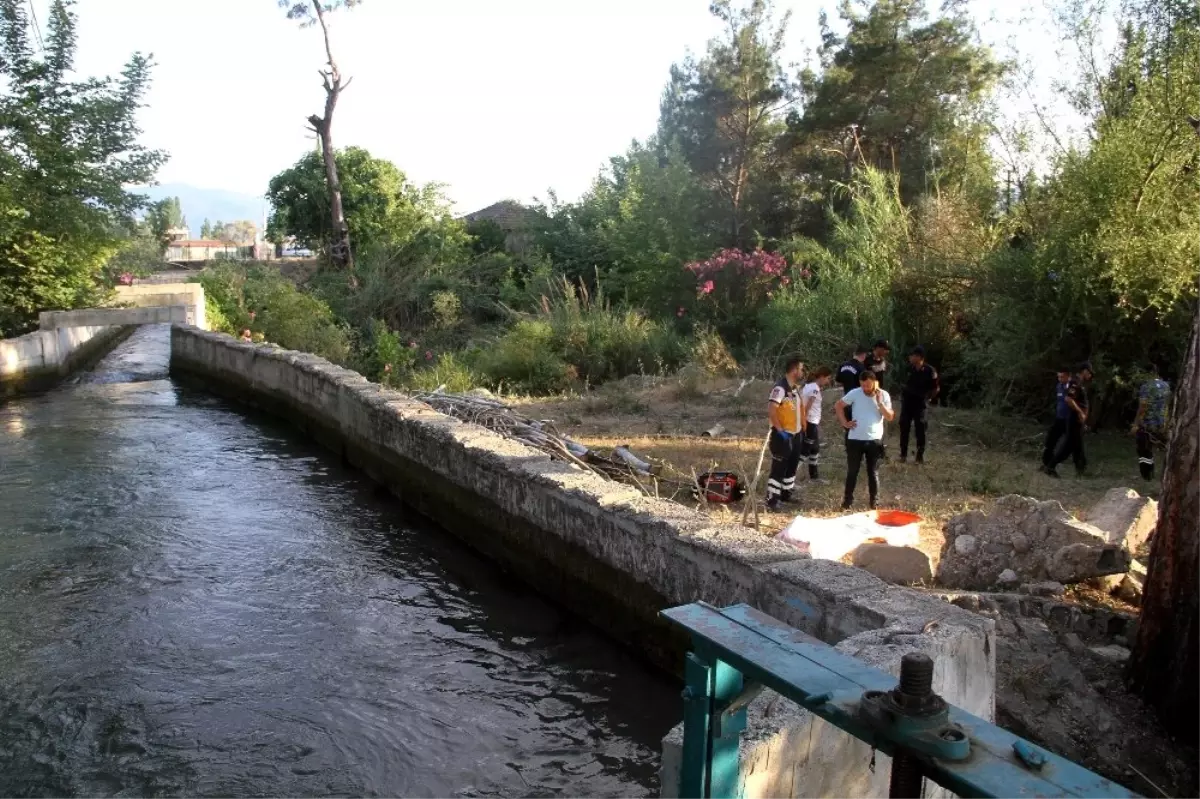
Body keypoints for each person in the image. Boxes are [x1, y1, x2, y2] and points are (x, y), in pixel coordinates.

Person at [835, 369, 894, 510]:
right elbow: (838, 405)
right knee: (852, 471)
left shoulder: (883, 395)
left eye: (868, 385)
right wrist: (844, 422)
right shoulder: (855, 393)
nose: (865, 388)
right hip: (855, 438)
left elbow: (890, 416)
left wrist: (880, 404)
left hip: (874, 440)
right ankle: (847, 502)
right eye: (863, 385)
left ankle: (874, 503)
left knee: (873, 472)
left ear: (874, 382)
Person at [766, 357, 805, 510]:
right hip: (782, 435)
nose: (802, 372)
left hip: (796, 434)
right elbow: (771, 409)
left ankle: (786, 494)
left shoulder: (794, 388)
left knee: (792, 465)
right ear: (794, 370)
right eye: (801, 369)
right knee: (779, 467)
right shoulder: (780, 388)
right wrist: (780, 430)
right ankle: (772, 499)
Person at [1045, 362, 1094, 478]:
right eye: (1090, 373)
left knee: (1077, 445)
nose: (1090, 376)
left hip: (1077, 420)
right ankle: (1051, 466)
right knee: (1069, 446)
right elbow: (1069, 399)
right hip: (1074, 419)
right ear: (1085, 371)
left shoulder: (1078, 382)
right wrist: (1081, 412)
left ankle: (1081, 469)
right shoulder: (1075, 383)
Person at [899, 346, 940, 464]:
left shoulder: (930, 371)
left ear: (919, 357)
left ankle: (919, 456)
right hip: (907, 403)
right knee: (904, 427)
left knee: (920, 429)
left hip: (920, 404)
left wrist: (928, 398)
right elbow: (902, 383)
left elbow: (935, 388)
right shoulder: (907, 369)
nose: (910, 357)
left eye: (912, 355)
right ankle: (903, 455)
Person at [1132, 365, 1171, 481]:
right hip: (1162, 423)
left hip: (1147, 424)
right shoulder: (1166, 386)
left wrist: (1135, 424)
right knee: (1163, 449)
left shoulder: (1146, 387)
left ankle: (1147, 474)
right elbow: (1168, 405)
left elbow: (1143, 406)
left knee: (1143, 449)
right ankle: (1163, 474)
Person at [800, 366, 833, 484]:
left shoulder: (808, 386)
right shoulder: (814, 389)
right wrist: (803, 422)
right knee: (805, 450)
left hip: (812, 421)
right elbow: (807, 406)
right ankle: (790, 476)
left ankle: (814, 476)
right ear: (822, 377)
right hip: (810, 422)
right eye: (828, 378)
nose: (828, 381)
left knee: (815, 449)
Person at [1040, 368, 1074, 472]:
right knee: (1050, 441)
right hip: (1059, 418)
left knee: (1068, 445)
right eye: (1058, 376)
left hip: (1070, 420)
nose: (1060, 379)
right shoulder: (1059, 386)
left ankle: (1053, 465)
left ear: (1069, 376)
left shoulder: (1074, 387)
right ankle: (1046, 464)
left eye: (1062, 377)